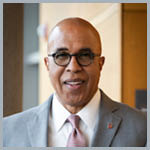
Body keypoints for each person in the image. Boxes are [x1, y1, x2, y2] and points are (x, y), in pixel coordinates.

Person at [3, 17, 146, 147]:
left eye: (84, 55)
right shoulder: (6, 131)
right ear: (47, 64)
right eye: (62, 55)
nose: (73, 67)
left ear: (100, 64)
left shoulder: (143, 127)